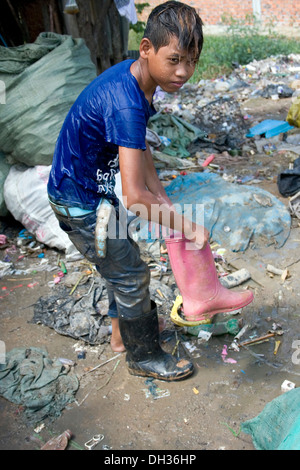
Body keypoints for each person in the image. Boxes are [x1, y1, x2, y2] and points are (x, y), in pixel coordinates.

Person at [47, 1, 253, 382]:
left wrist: (166, 203)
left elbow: (140, 151)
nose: (183, 72)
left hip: (94, 192)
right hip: (79, 201)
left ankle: (121, 337)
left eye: (191, 61)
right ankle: (144, 356)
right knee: (130, 274)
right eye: (174, 59)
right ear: (146, 48)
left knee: (119, 260)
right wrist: (186, 226)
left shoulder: (139, 81)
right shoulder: (126, 101)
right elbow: (136, 197)